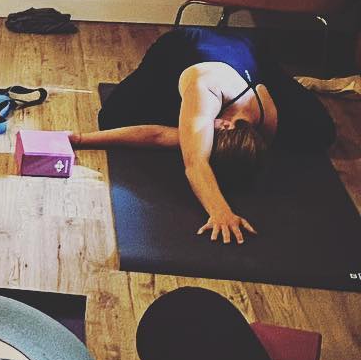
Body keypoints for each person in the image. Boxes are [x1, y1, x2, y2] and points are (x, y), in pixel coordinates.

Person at [71, 25, 335, 245]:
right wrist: (221, 211)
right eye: (211, 134)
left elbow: (160, 135)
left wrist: (81, 139)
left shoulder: (270, 123)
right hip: (183, 46)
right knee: (112, 118)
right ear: (228, 127)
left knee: (322, 132)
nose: (209, 130)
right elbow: (193, 161)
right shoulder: (205, 86)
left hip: (249, 48)